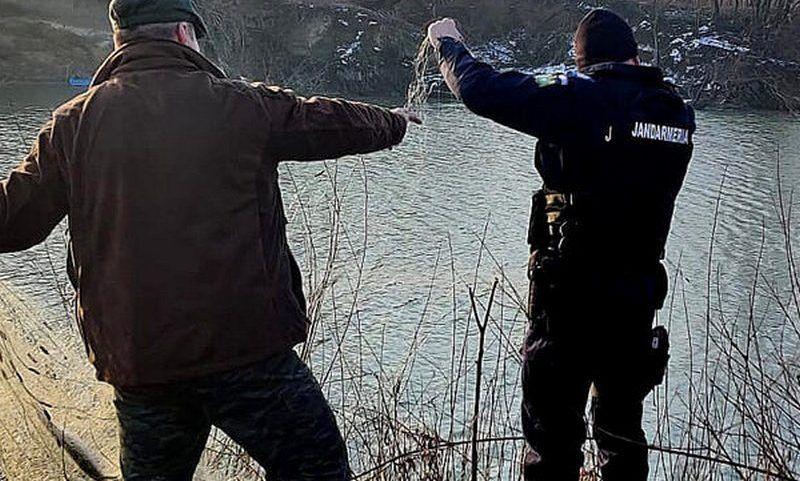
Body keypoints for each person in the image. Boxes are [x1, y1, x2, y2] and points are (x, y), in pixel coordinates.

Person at [0, 0, 419, 479]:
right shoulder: (240, 105)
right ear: (184, 33)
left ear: (120, 40)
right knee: (318, 470)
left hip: (143, 365)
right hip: (247, 356)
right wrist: (394, 122)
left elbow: (13, 221)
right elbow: (326, 121)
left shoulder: (72, 125)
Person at [428, 9, 695, 481]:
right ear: (634, 56)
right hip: (635, 303)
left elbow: (480, 89)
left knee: (552, 447)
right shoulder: (675, 112)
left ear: (583, 62)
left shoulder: (580, 98)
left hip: (569, 303)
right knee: (622, 437)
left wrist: (448, 44)